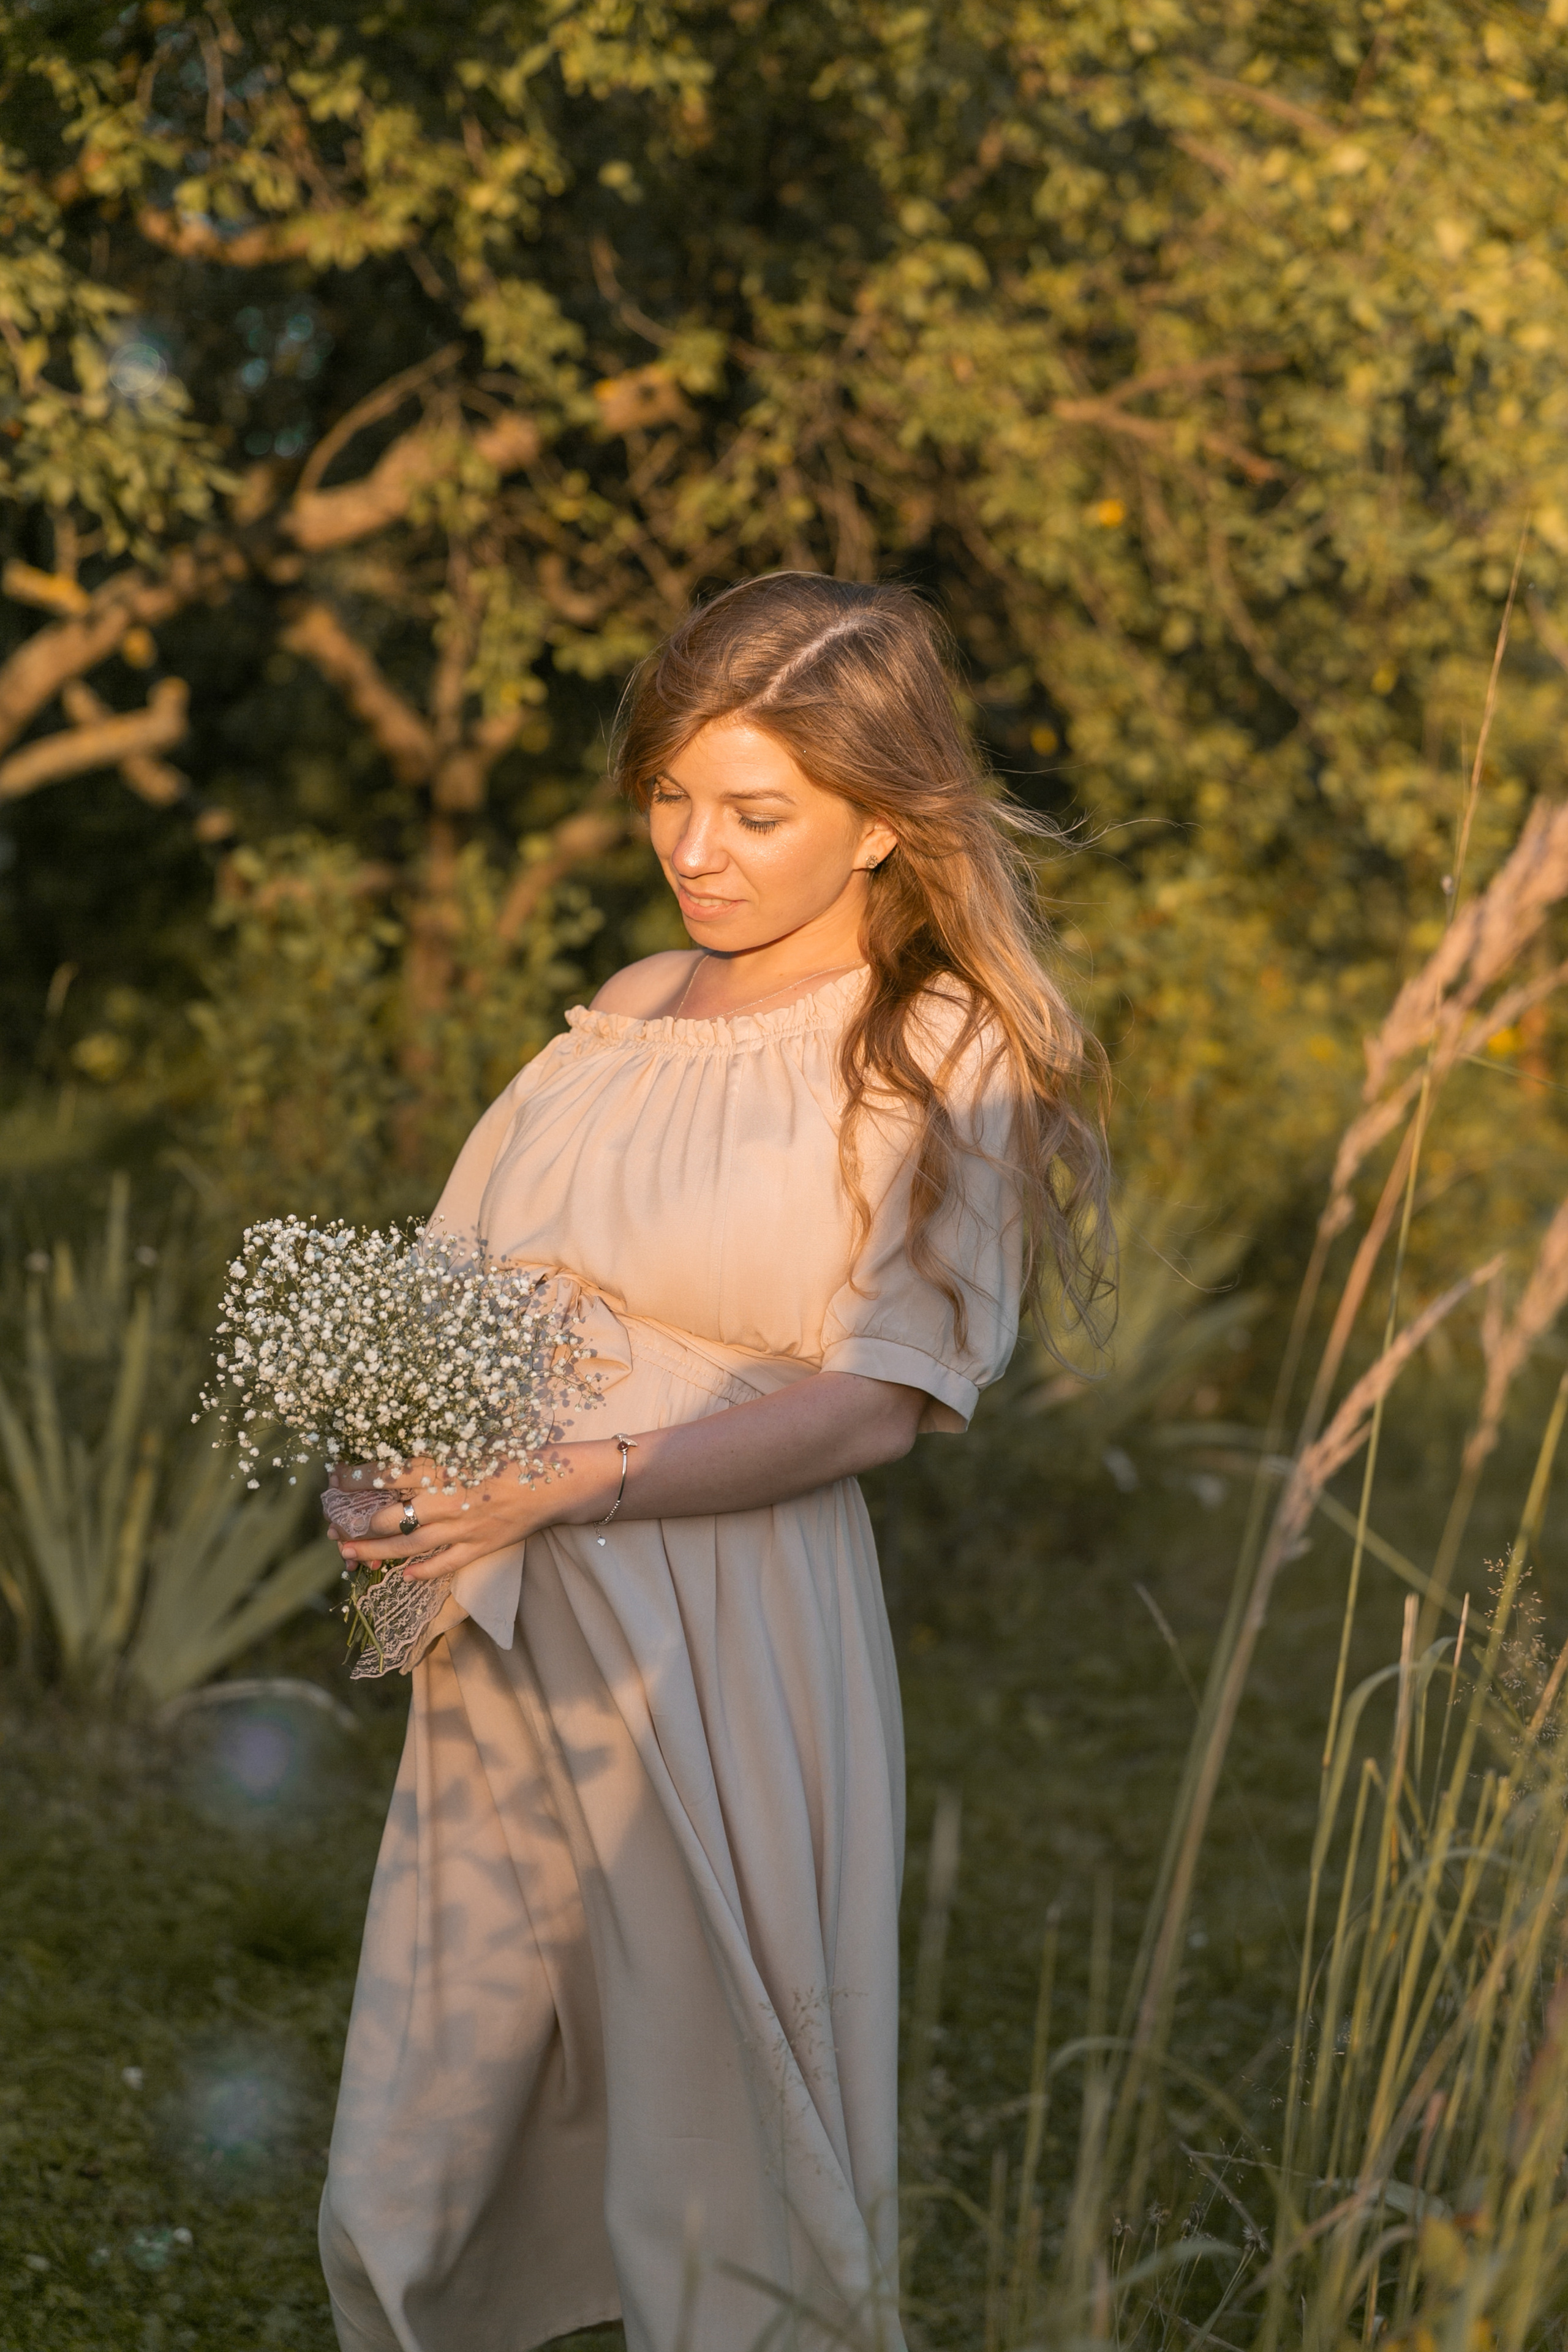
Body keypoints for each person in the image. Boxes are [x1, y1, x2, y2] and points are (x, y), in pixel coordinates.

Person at [317, 572, 1109, 2352]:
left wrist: (572, 1479)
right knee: (426, 2118)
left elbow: (878, 1403)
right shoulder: (628, 1003)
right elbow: (455, 1299)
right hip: (510, 1625)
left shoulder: (936, 1051)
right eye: (672, 797)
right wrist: (397, 1477)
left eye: (755, 812)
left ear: (886, 825)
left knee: (714, 2127)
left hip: (719, 1627)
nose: (696, 848)